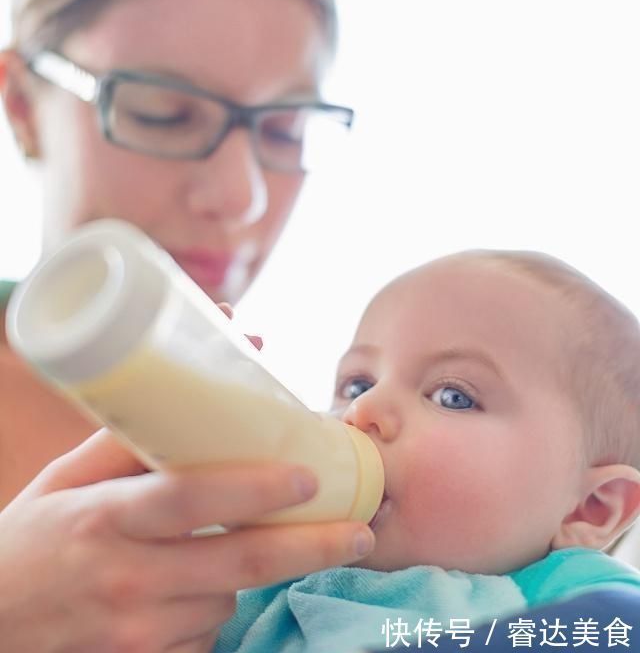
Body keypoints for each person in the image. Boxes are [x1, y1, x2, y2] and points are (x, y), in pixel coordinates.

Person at [0, 0, 376, 650]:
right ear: (21, 102)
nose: (243, 197)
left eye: (285, 128)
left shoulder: (330, 451)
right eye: (162, 113)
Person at [214, 249, 640, 653]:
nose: (363, 411)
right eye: (357, 385)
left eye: (452, 396)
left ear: (589, 508)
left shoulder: (563, 599)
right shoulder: (272, 569)